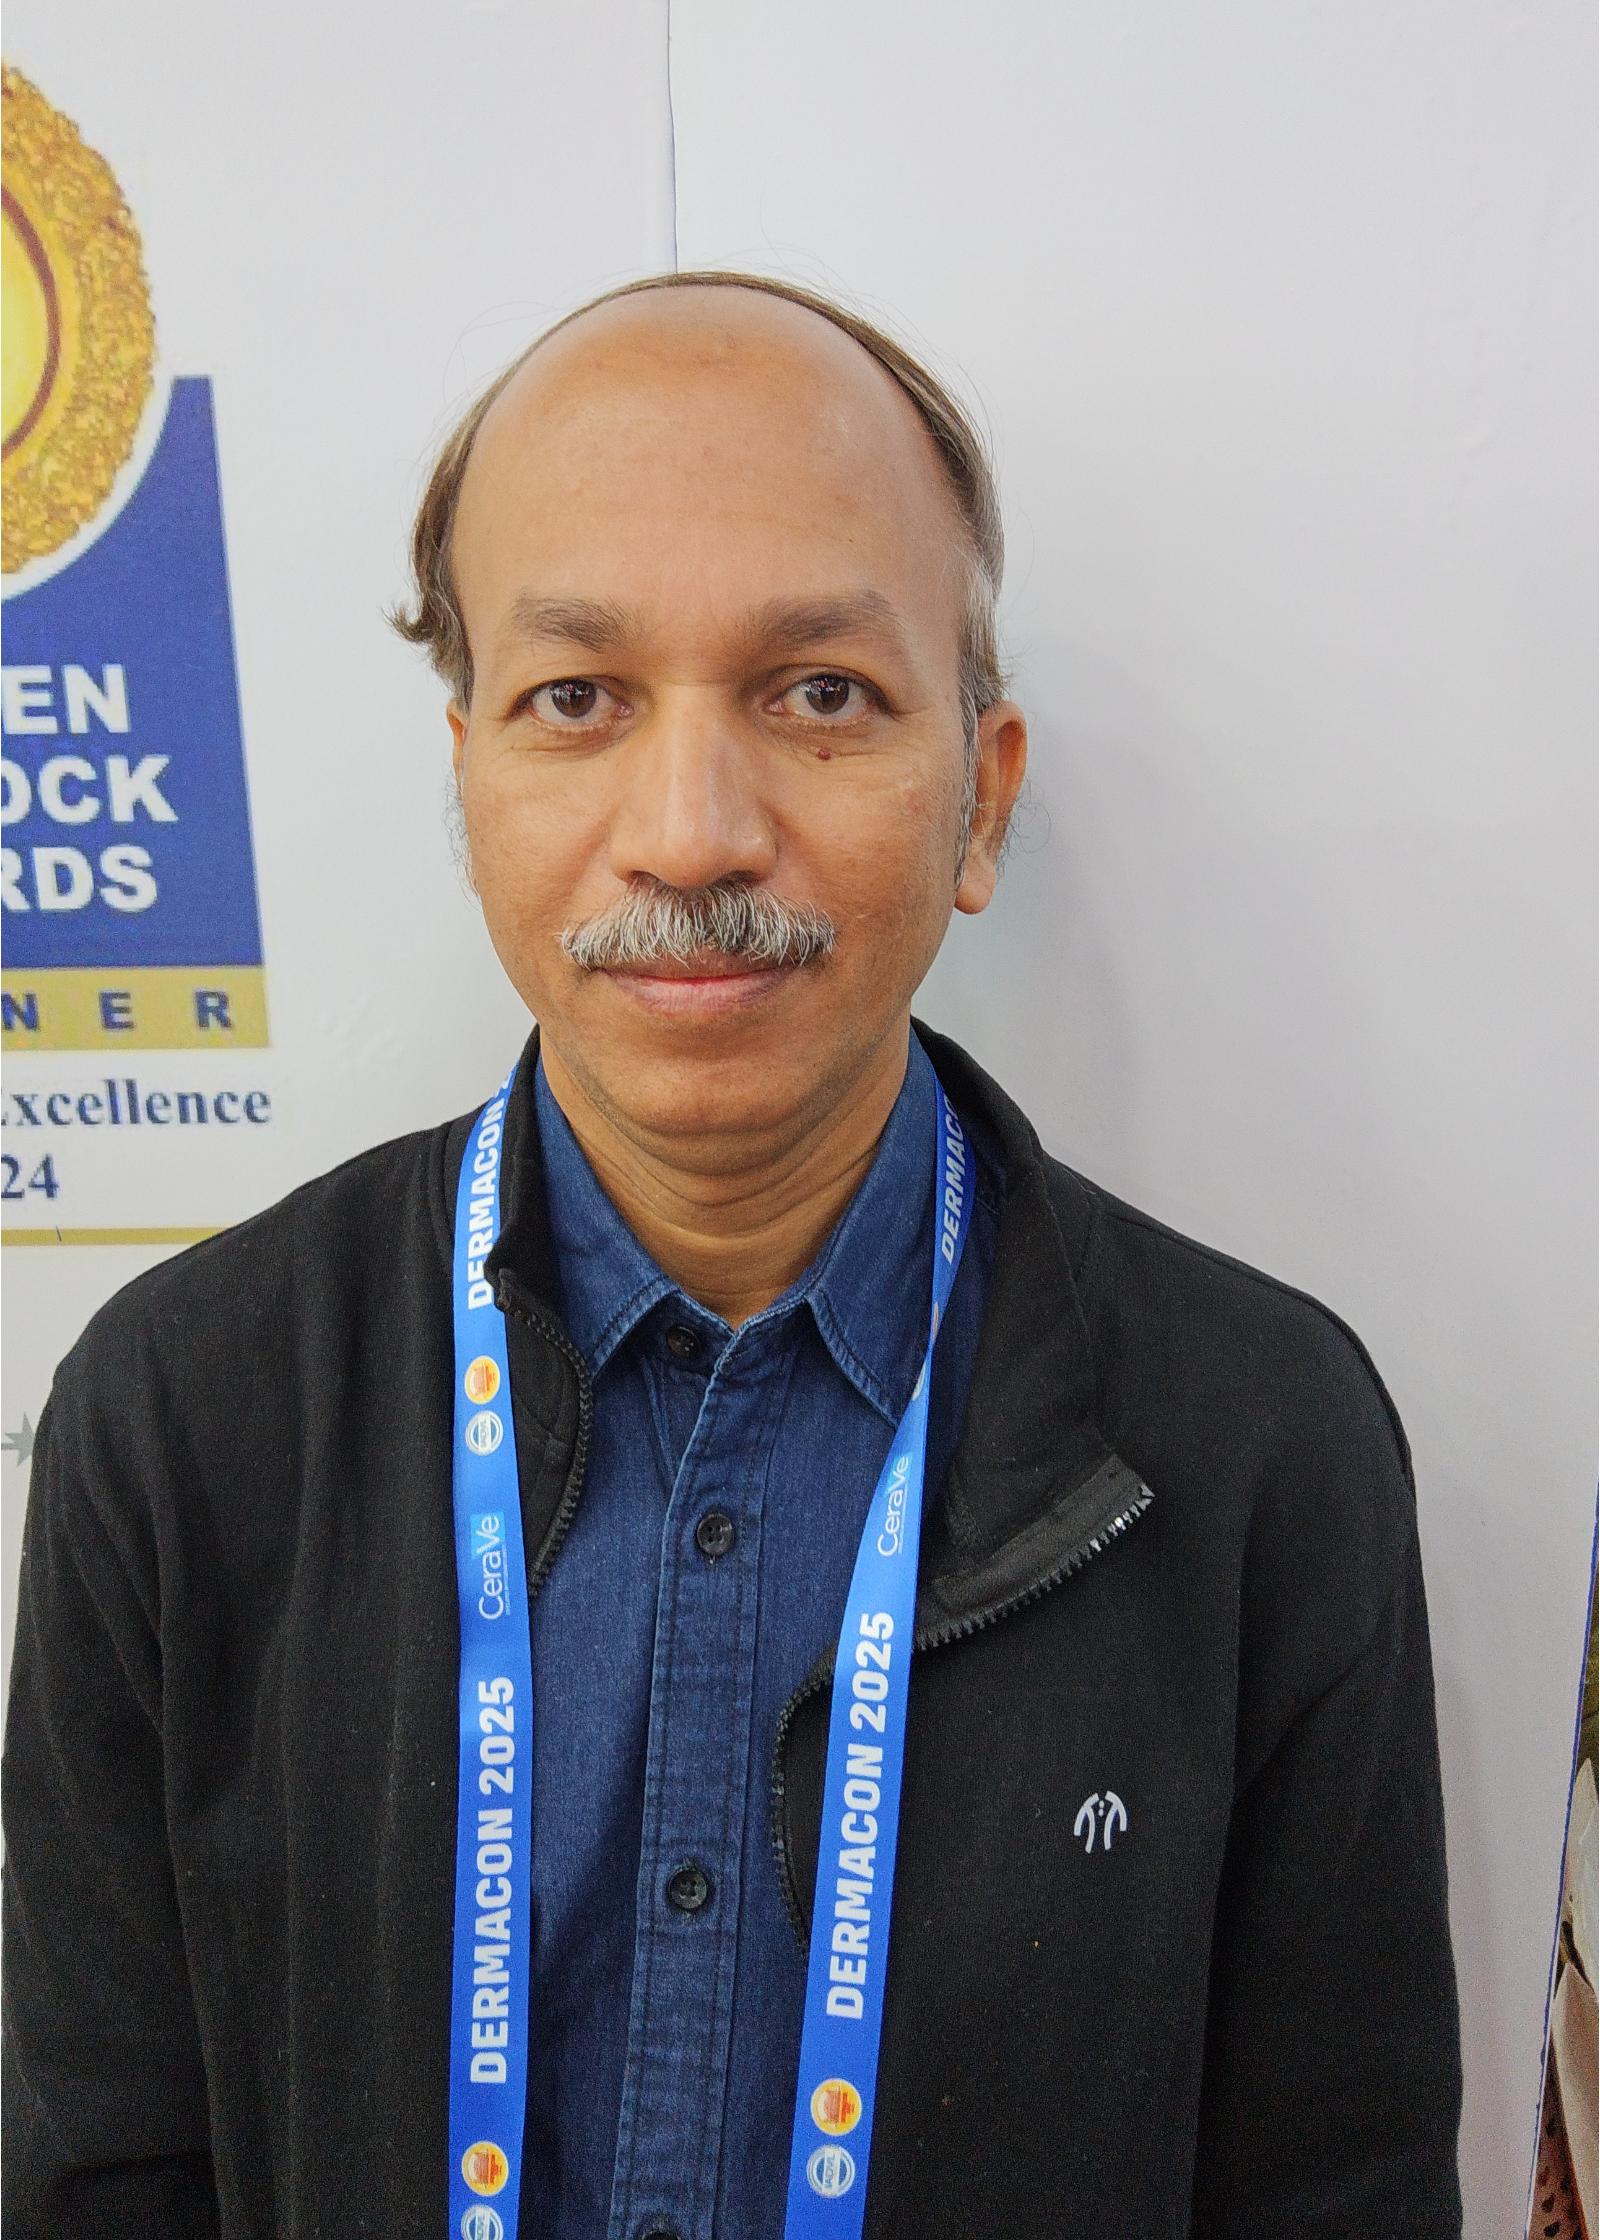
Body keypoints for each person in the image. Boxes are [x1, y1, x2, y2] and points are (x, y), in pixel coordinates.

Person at [1, 271, 1464, 2239]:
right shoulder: (186, 1415)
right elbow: (98, 2175)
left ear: (980, 799)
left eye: (820, 693)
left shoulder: (1260, 1444)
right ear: (468, 777)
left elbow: (1337, 2188)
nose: (690, 835)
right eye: (577, 699)